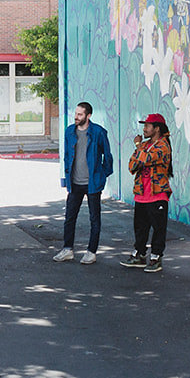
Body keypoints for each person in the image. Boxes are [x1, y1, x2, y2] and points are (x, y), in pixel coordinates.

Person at [56, 101, 113, 263]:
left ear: (88, 116)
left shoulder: (98, 132)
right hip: (74, 183)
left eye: (80, 114)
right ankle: (68, 249)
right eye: (75, 113)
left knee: (94, 218)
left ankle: (91, 252)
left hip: (93, 183)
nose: (76, 117)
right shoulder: (69, 132)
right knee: (69, 217)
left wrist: (101, 175)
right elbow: (67, 156)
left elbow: (107, 158)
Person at [121, 113, 173, 273]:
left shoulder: (163, 146)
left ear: (156, 128)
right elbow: (132, 165)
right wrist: (139, 153)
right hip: (141, 194)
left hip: (157, 194)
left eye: (147, 126)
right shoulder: (144, 145)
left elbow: (147, 159)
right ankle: (140, 254)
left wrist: (138, 148)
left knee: (158, 228)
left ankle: (156, 257)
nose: (144, 129)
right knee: (140, 227)